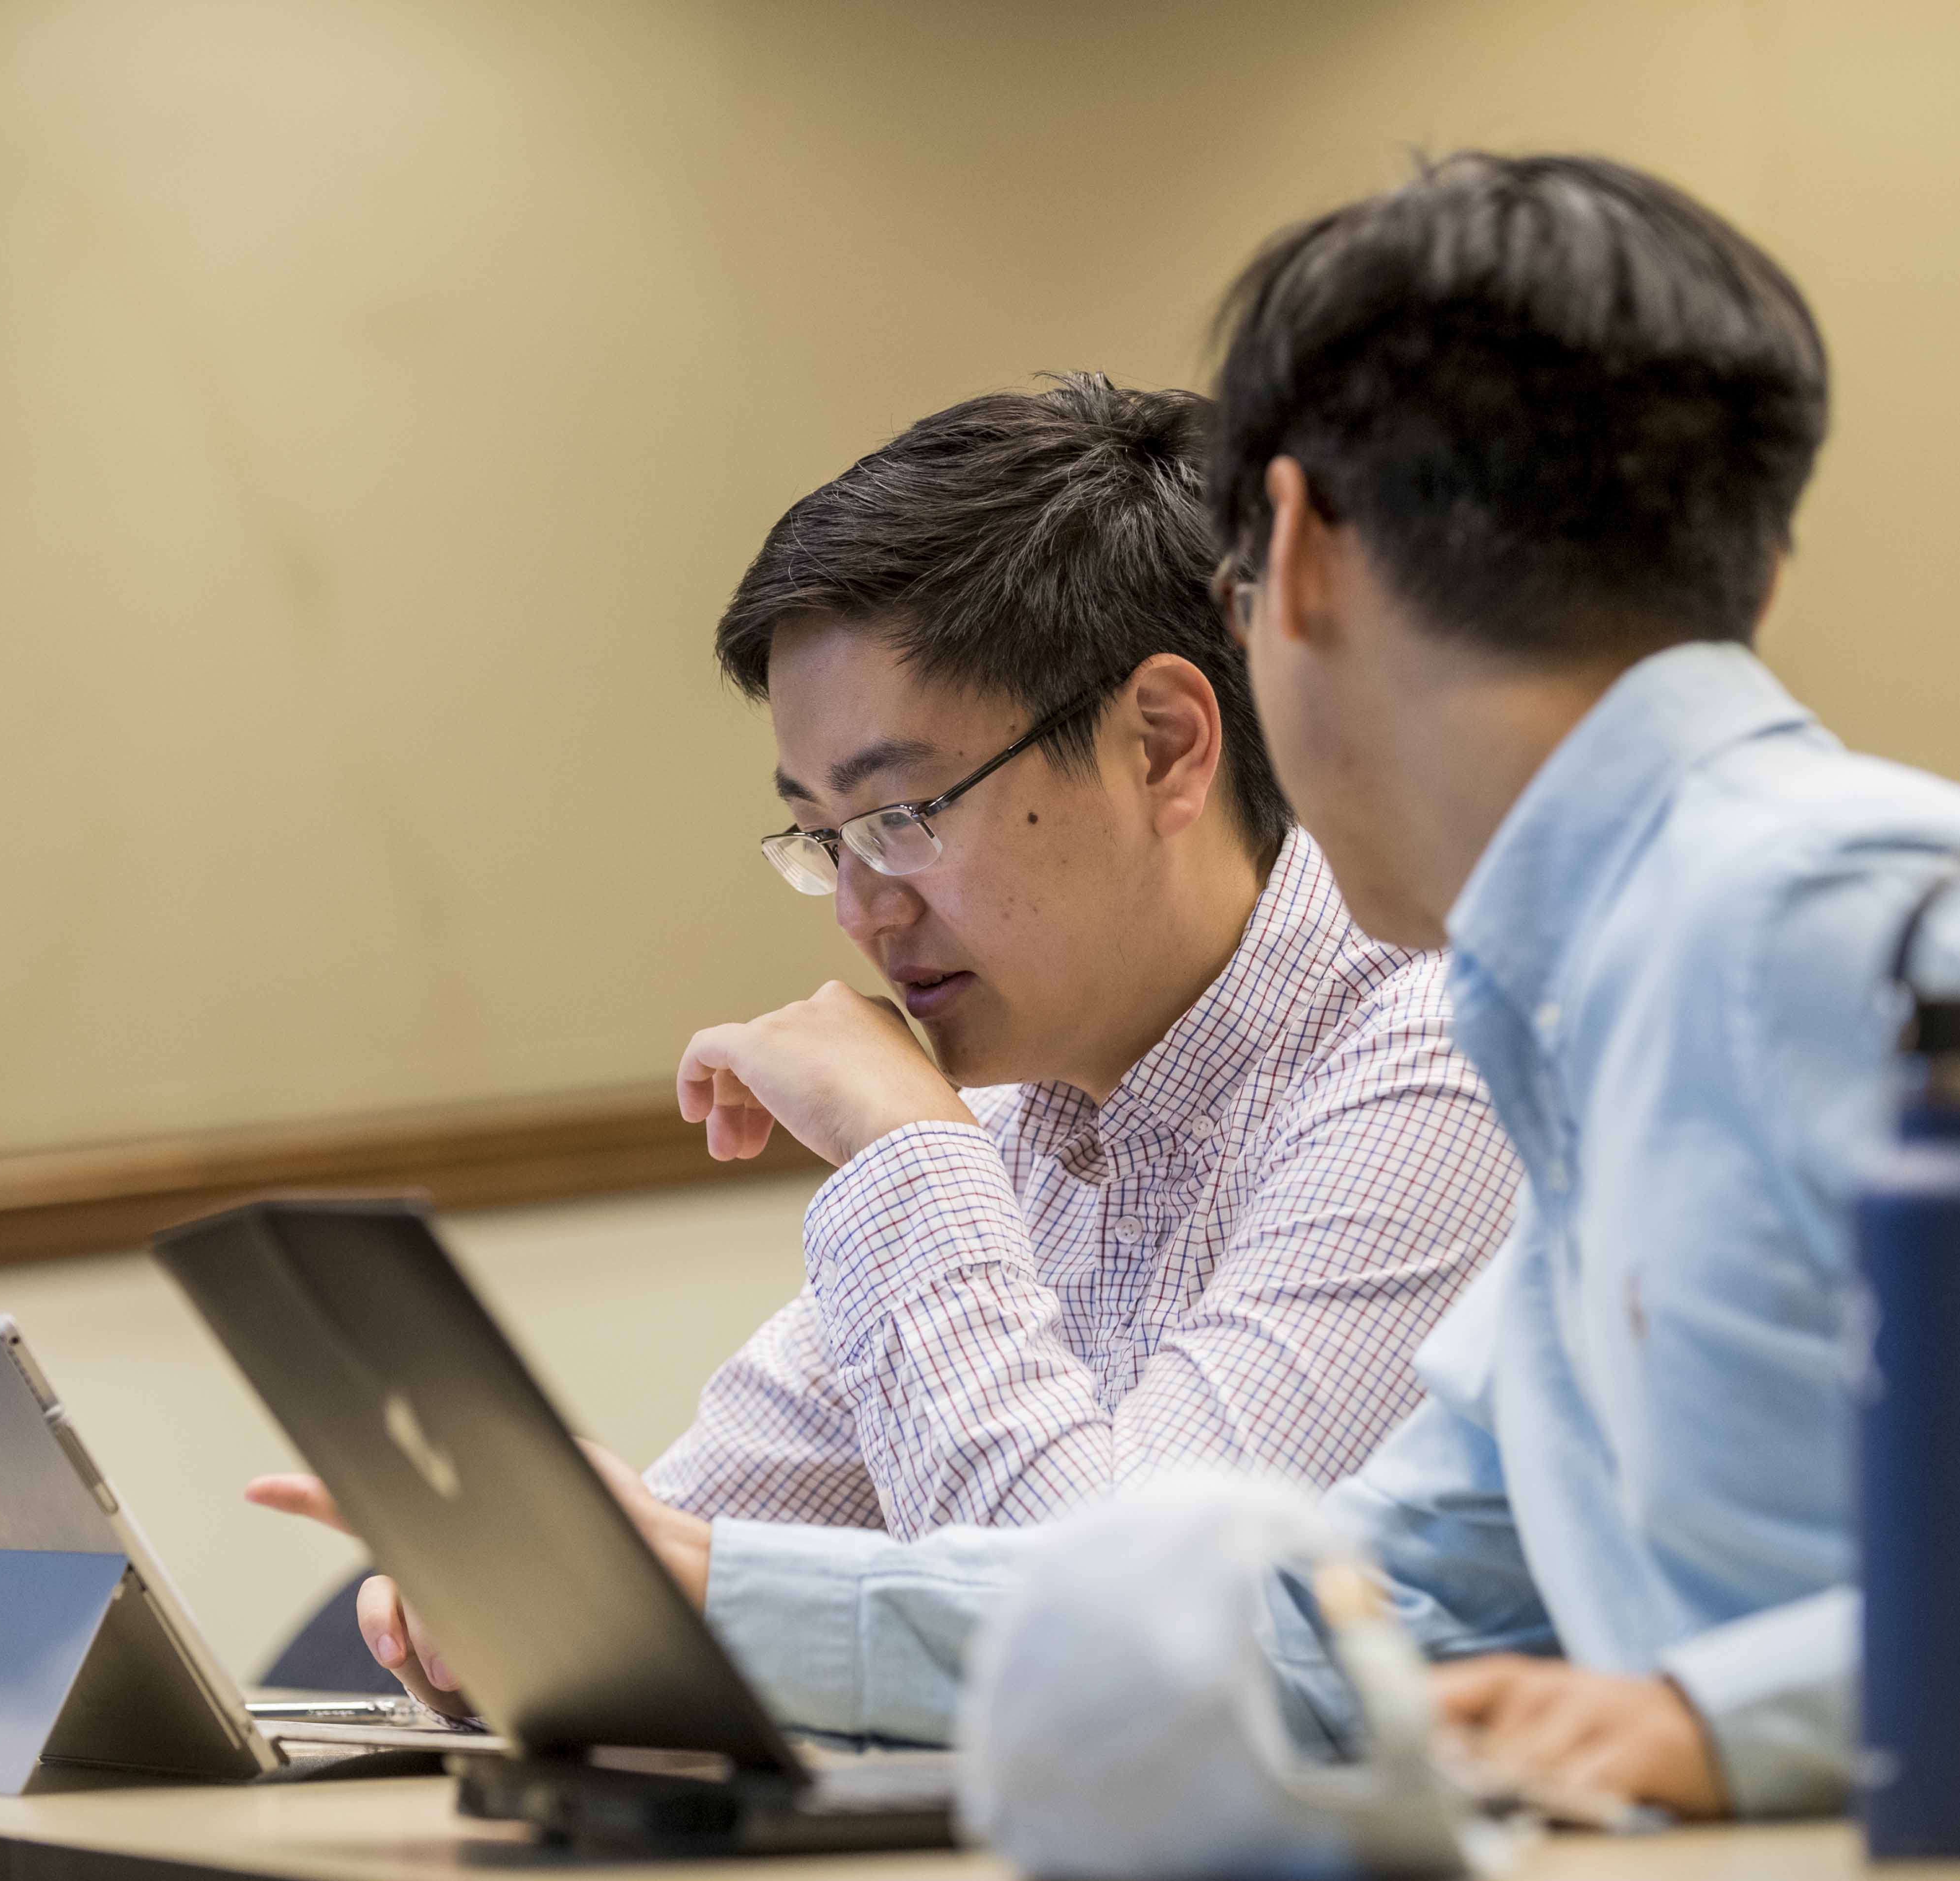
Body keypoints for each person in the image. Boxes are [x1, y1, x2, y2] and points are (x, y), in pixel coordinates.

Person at [563, 156, 1960, 1834]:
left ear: (1283, 558)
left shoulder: (1830, 901)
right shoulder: (1579, 987)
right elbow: (1367, 1604)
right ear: (1750, 555)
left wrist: (1737, 1718)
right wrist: (729, 1596)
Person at [250, 375, 1521, 1704]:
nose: (862, 910)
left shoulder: (1440, 1053)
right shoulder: (1025, 1105)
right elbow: (714, 1562)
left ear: (1161, 746)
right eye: (824, 837)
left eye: (904, 811)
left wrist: (909, 1154)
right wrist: (543, 1592)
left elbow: (1132, 1655)